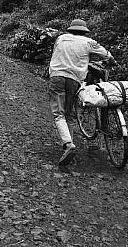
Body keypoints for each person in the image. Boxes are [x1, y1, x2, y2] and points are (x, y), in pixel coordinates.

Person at [49, 19, 115, 166]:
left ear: (70, 30)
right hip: (74, 80)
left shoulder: (60, 38)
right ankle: (69, 144)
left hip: (57, 77)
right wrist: (111, 62)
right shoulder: (89, 42)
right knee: (69, 113)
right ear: (84, 31)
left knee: (58, 113)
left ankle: (68, 144)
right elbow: (108, 56)